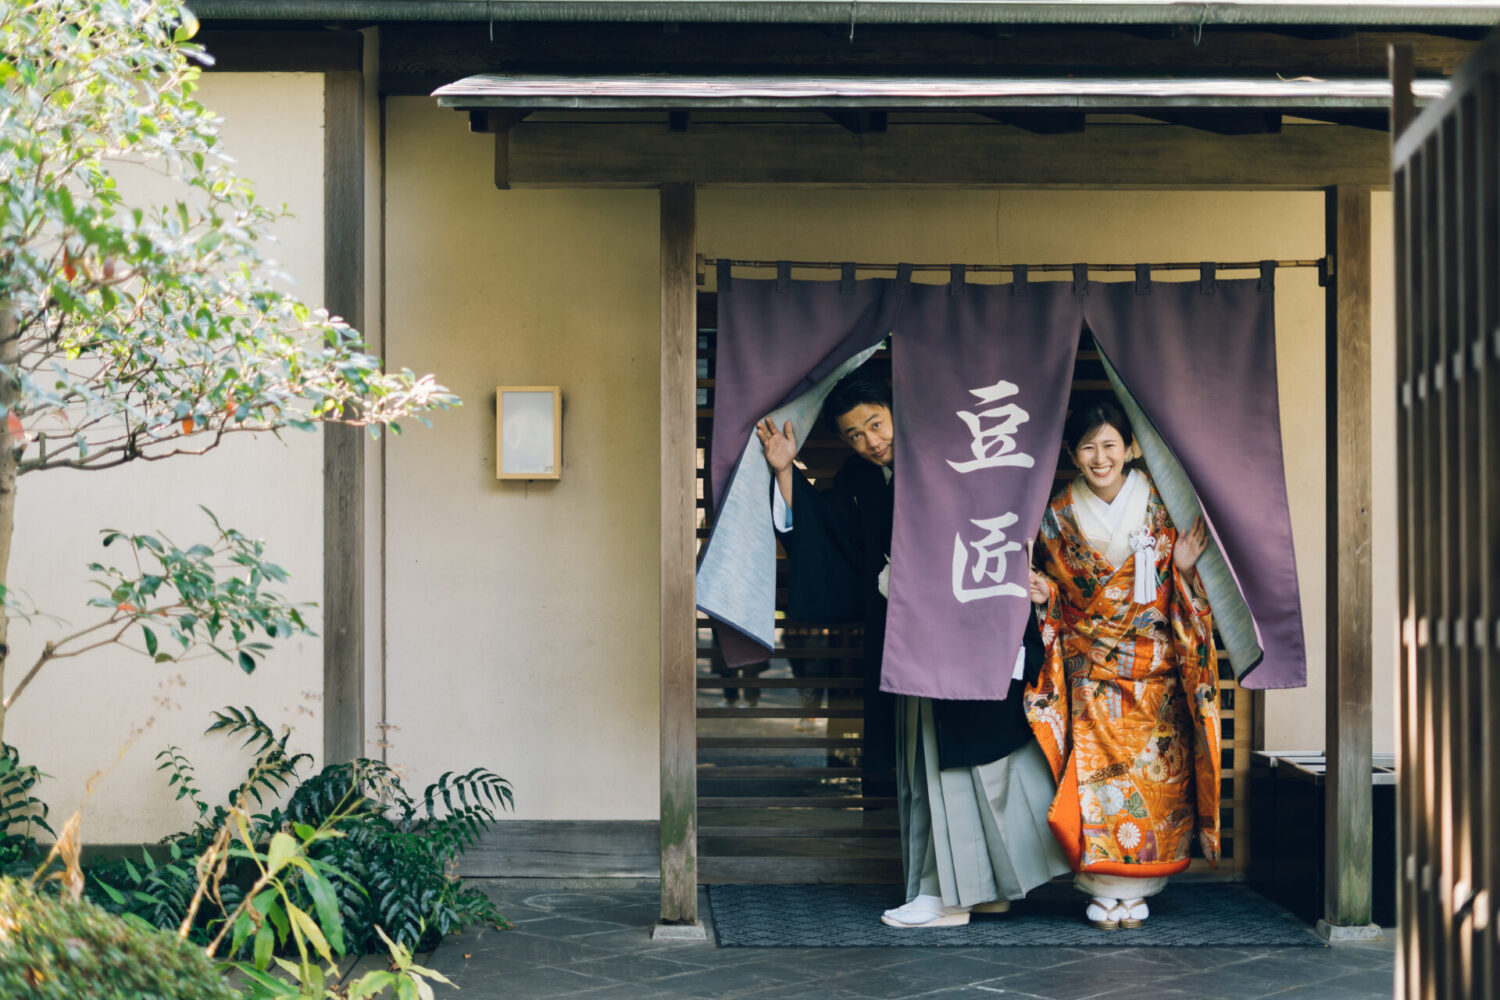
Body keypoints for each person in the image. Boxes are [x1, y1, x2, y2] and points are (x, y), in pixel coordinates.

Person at [757, 368, 1069, 928]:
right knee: (928, 767)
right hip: (909, 645)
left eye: (876, 423)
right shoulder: (859, 478)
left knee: (982, 766)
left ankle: (955, 895)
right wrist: (785, 472)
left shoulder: (959, 457)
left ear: (899, 412)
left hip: (972, 639)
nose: (871, 442)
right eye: (855, 434)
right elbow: (830, 539)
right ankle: (951, 890)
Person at [1024, 396, 1220, 931]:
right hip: (1091, 674)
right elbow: (1061, 601)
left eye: (1110, 444)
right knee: (1095, 784)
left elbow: (1182, 596)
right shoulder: (1058, 514)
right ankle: (1102, 885)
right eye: (1087, 447)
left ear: (1130, 448)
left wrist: (1180, 569)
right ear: (1073, 454)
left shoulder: (1160, 505)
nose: (1099, 457)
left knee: (1153, 783)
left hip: (1152, 673)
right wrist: (1045, 598)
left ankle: (1138, 888)